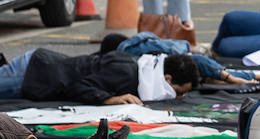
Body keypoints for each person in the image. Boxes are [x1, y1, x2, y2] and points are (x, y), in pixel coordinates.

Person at [0, 48, 198, 105]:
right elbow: (78, 86)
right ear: (168, 79)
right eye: (179, 92)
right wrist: (110, 99)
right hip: (36, 73)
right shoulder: (127, 75)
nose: (178, 97)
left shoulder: (143, 66)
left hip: (41, 66)